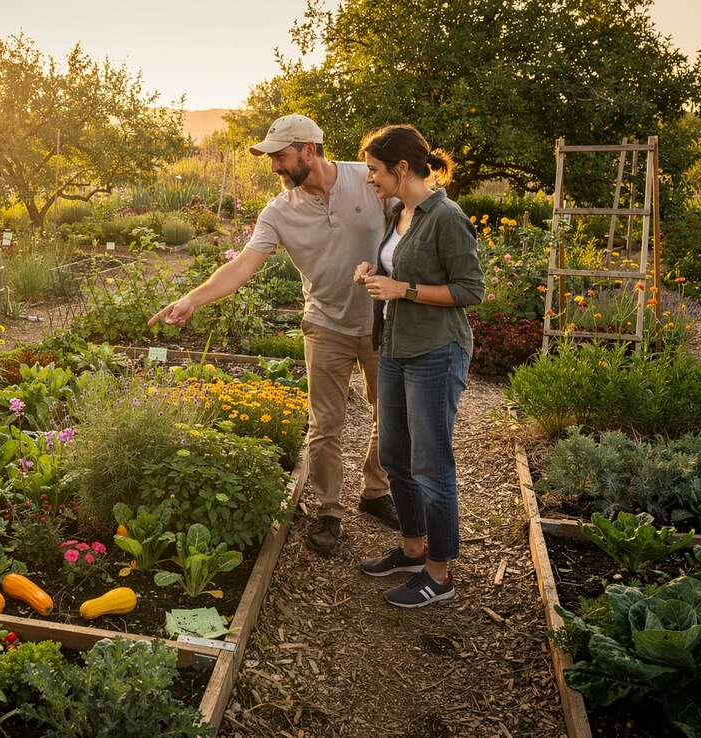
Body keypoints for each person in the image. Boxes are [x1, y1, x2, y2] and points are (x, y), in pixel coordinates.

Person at [149, 113, 398, 555]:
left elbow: (408, 228)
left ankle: (376, 491)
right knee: (325, 424)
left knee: (389, 414)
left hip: (383, 320)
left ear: (308, 148)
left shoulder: (369, 179)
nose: (274, 167)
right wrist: (193, 298)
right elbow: (243, 265)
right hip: (325, 324)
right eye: (271, 158)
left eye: (281, 156)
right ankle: (328, 510)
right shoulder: (279, 211)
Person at [352, 124, 484, 607]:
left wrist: (402, 290)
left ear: (401, 168)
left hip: (435, 352)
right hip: (394, 347)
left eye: (374, 170)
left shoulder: (446, 217)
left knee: (430, 465)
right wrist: (376, 273)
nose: (370, 179)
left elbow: (471, 291)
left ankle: (439, 573)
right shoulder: (400, 211)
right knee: (394, 456)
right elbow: (400, 268)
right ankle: (412, 548)